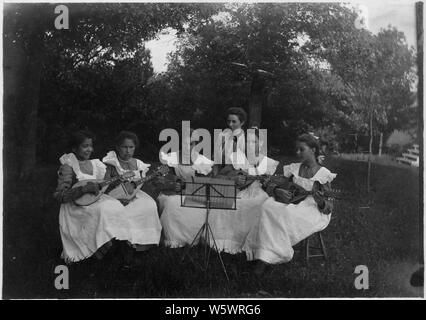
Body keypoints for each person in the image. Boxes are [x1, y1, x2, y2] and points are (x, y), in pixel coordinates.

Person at [242, 133, 337, 274]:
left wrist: (320, 201)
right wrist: (278, 191)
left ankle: (266, 259)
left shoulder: (323, 174)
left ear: (313, 150)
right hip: (294, 201)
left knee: (285, 213)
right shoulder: (294, 168)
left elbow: (328, 208)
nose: (297, 153)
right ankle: (264, 253)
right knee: (267, 206)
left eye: (301, 149)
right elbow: (276, 184)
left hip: (313, 209)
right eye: (296, 149)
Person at [54, 130, 146, 263]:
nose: (89, 149)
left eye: (91, 146)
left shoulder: (96, 165)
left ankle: (118, 247)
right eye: (85, 146)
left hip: (94, 200)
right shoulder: (68, 167)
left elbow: (102, 187)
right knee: (104, 210)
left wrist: (118, 181)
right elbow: (60, 196)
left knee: (115, 206)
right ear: (74, 148)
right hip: (77, 206)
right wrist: (83, 189)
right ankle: (101, 251)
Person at [208, 127, 279, 254]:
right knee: (225, 206)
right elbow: (218, 177)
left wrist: (268, 184)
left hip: (259, 193)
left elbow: (273, 187)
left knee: (257, 206)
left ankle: (251, 244)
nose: (250, 145)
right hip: (240, 192)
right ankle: (226, 242)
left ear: (261, 143)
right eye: (247, 142)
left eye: (254, 142)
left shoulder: (268, 163)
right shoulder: (237, 158)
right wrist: (233, 178)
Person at [102, 131, 162, 252]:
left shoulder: (139, 164)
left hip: (134, 194)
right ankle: (123, 240)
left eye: (131, 147)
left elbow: (139, 184)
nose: (128, 151)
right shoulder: (112, 162)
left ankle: (145, 240)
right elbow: (104, 183)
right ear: (117, 147)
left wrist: (156, 178)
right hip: (115, 194)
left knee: (149, 205)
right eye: (124, 147)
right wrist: (117, 184)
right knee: (125, 210)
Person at [157, 130, 215, 248]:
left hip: (194, 194)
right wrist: (172, 183)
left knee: (199, 207)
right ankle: (173, 240)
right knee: (172, 203)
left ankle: (194, 239)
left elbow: (206, 184)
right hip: (173, 193)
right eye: (186, 143)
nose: (189, 147)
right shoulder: (172, 158)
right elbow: (161, 180)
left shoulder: (202, 161)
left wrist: (188, 187)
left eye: (192, 144)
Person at [213, 107, 247, 176]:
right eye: (229, 121)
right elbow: (216, 157)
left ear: (242, 122)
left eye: (234, 121)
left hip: (236, 172)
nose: (230, 124)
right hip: (219, 169)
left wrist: (221, 174)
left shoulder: (245, 138)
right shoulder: (222, 135)